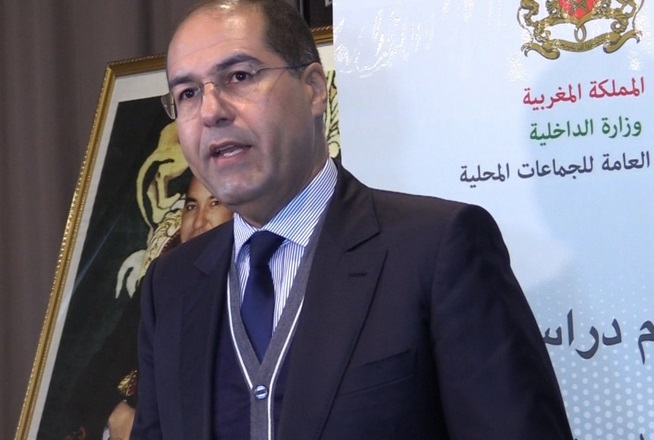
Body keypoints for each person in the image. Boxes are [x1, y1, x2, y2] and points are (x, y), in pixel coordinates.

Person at [132, 0, 574, 439]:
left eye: (240, 76)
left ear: (313, 89)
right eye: (188, 93)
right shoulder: (170, 287)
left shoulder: (437, 250)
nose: (211, 111)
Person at [64, 175, 231, 440]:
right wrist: (117, 415)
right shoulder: (160, 287)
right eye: (191, 206)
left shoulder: (260, 289)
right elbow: (94, 377)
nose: (199, 222)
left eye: (214, 203)